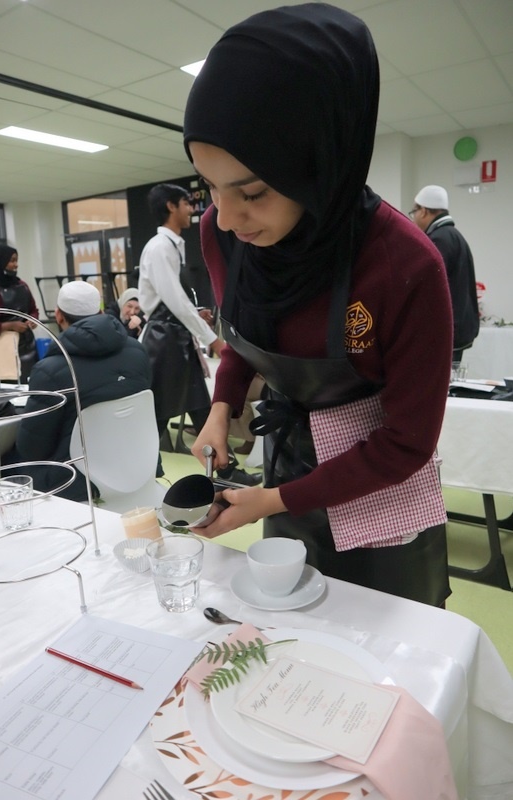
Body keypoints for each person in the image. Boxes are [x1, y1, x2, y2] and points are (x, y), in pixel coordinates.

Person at [182, 3, 454, 606]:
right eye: (210, 189)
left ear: (320, 162)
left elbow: (408, 442)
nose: (226, 217)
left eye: (251, 191)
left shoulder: (404, 265)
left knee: (386, 650)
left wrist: (275, 500)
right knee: (288, 630)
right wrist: (223, 406)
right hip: (288, 464)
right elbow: (248, 331)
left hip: (380, 476)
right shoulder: (223, 233)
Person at [138, 182, 262, 486]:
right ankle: (145, 476)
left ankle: (226, 470)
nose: (192, 209)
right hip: (164, 339)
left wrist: (197, 314)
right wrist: (213, 339)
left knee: (201, 406)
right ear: (171, 206)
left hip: (175, 334)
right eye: (186, 203)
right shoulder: (159, 247)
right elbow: (173, 300)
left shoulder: (171, 246)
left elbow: (178, 300)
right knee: (159, 413)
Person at [2, 281, 151, 501]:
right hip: (139, 464)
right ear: (100, 312)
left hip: (77, 480)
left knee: (8, 462)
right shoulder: (138, 352)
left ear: (59, 316)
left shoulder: (51, 371)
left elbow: (33, 450)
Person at [410, 184, 479, 362]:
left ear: (424, 211)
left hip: (445, 332)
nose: (414, 218)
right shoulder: (454, 236)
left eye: (414, 212)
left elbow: (427, 287)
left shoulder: (439, 239)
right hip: (457, 329)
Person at [0, 244, 39, 382]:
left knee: (30, 382)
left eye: (16, 260)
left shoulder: (22, 285)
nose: (16, 265)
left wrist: (32, 320)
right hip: (0, 350)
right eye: (12, 260)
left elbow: (33, 310)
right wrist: (9, 326)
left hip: (27, 347)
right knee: (8, 386)